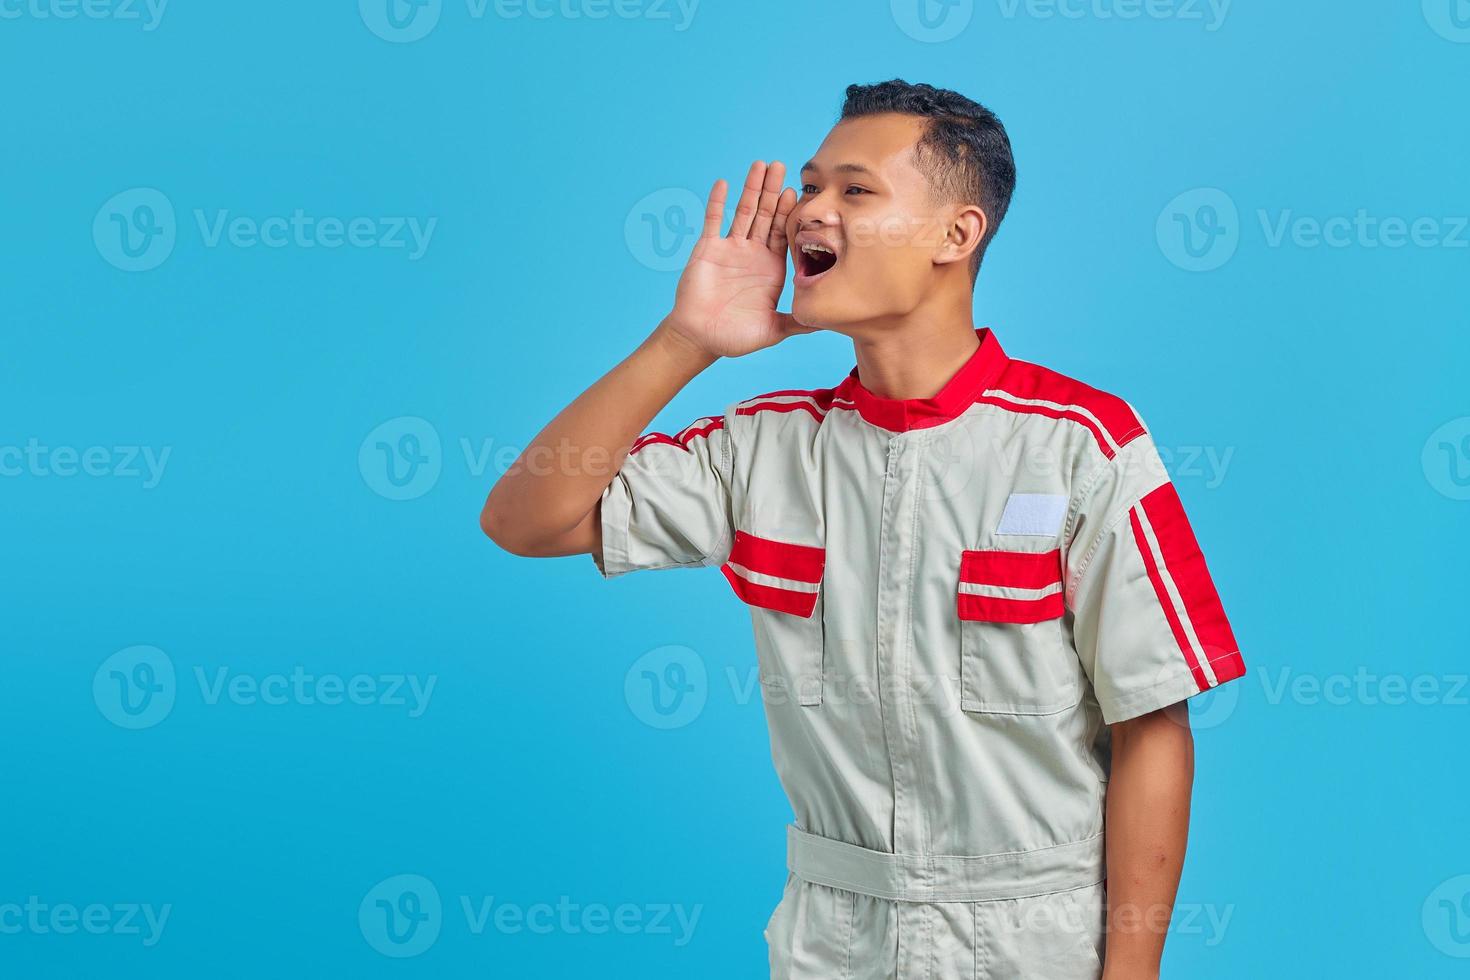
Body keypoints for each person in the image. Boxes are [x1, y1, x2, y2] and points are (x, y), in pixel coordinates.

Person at [480, 78, 1247, 980]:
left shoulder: (1080, 445)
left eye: (854, 189)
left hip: (1037, 936)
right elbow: (527, 520)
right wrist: (686, 340)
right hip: (833, 935)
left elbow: (1152, 723)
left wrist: (1131, 973)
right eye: (810, 186)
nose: (811, 210)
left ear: (957, 235)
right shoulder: (762, 448)